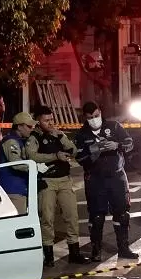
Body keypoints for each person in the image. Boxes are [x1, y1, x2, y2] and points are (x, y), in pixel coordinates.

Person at [26, 106, 89, 266]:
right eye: (46, 120)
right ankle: (48, 256)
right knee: (47, 218)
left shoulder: (58, 134)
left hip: (65, 180)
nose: (50, 123)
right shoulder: (34, 137)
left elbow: (73, 149)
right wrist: (55, 156)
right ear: (38, 121)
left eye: (51, 119)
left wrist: (66, 145)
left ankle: (74, 253)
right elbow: (32, 156)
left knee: (72, 216)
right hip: (47, 181)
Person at [74, 102, 138, 261]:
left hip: (117, 177)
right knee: (96, 216)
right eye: (90, 117)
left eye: (96, 116)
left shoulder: (114, 126)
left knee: (122, 213)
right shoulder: (82, 134)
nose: (94, 119)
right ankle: (96, 251)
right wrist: (94, 150)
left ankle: (124, 248)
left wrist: (117, 145)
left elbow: (130, 143)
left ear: (100, 112)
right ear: (85, 117)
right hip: (95, 179)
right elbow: (79, 158)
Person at [0, 112, 41, 214]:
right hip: (13, 190)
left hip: (18, 188)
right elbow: (15, 163)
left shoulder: (19, 140)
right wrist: (34, 167)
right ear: (19, 127)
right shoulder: (11, 141)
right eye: (29, 126)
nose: (31, 129)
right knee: (18, 220)